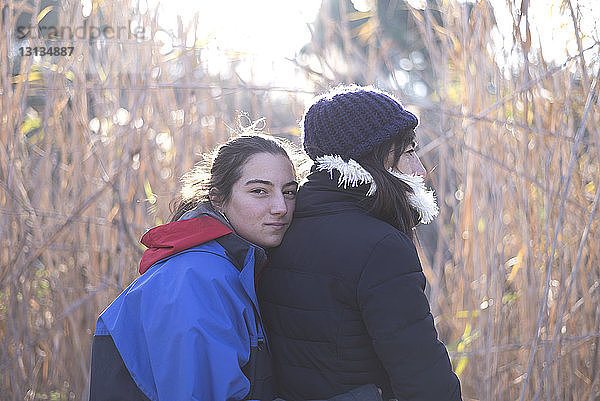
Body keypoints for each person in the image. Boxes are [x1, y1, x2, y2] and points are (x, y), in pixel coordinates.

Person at [89, 133, 383, 401]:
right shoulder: (197, 280)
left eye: (289, 192)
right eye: (259, 191)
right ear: (218, 198)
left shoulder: (228, 268)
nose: (280, 207)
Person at [258, 86, 463, 401]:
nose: (420, 170)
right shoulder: (381, 246)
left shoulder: (279, 226)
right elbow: (424, 380)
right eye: (409, 152)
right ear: (374, 156)